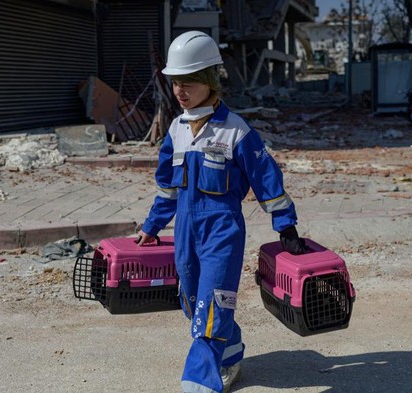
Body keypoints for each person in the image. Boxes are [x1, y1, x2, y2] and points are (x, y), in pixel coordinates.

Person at [137, 30, 305, 393]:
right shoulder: (176, 130)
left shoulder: (236, 131)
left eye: (190, 81)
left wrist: (286, 225)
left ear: (210, 80)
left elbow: (266, 180)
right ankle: (229, 351)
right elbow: (167, 188)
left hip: (222, 231)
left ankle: (199, 382)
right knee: (191, 299)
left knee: (214, 301)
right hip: (185, 231)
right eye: (176, 82)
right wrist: (152, 226)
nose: (180, 90)